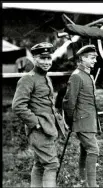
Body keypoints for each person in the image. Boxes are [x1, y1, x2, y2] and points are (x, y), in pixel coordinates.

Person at [12, 42, 66, 187]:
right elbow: (18, 105)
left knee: (40, 163)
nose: (47, 62)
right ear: (35, 58)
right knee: (52, 164)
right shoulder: (27, 79)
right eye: (43, 58)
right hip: (38, 129)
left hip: (48, 128)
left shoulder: (45, 77)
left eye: (49, 58)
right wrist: (35, 123)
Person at [62, 44, 99, 187]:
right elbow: (69, 102)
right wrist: (71, 120)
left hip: (88, 120)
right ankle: (92, 184)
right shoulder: (77, 76)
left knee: (85, 149)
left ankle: (83, 180)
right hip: (82, 120)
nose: (94, 61)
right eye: (92, 58)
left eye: (95, 58)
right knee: (93, 150)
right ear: (82, 58)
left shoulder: (87, 74)